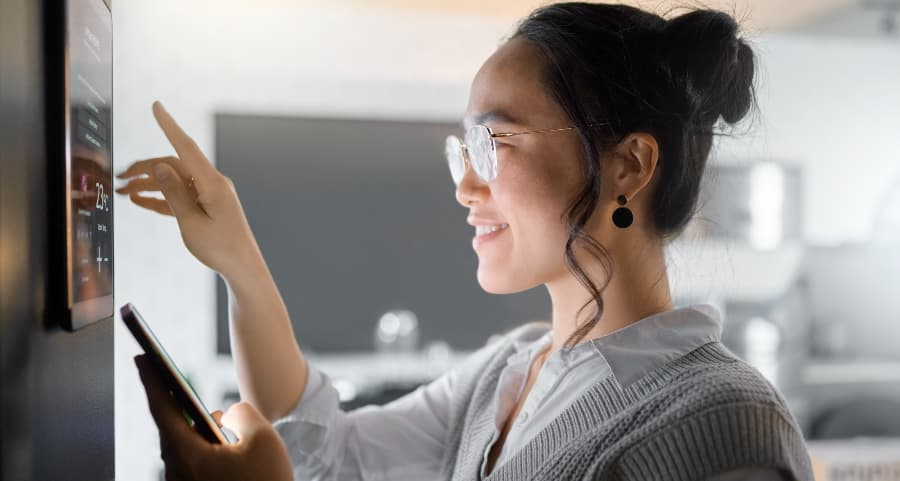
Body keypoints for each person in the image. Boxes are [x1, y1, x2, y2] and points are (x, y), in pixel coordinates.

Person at [117, 3, 814, 480]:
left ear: (628, 165)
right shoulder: (505, 374)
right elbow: (324, 452)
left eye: (496, 141)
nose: (465, 186)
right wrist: (239, 260)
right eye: (465, 147)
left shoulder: (726, 428)